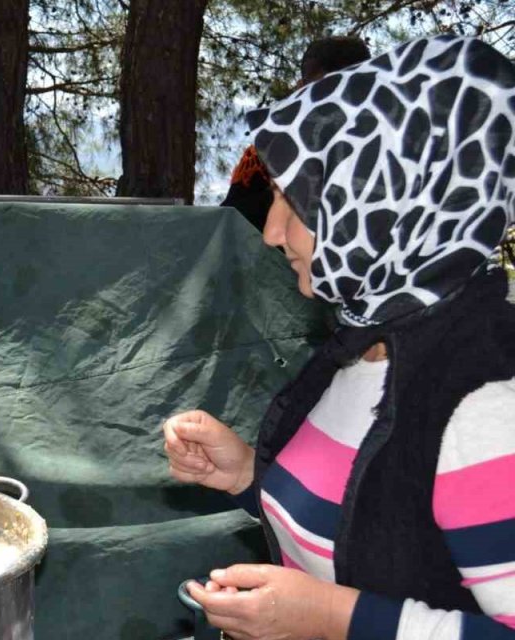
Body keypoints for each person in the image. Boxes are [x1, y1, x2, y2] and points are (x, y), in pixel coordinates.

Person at [164, 34, 515, 639]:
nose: (271, 232)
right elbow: (371, 527)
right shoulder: (366, 344)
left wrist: (333, 619)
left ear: (380, 201)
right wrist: (249, 476)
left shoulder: (483, 405)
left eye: (293, 201)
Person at [221, 36, 370, 232]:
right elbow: (232, 226)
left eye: (344, 89)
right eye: (322, 90)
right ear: (301, 88)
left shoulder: (396, 145)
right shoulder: (266, 154)